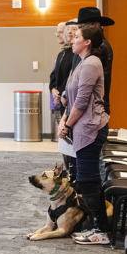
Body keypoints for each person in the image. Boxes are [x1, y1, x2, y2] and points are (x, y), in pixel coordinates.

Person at [58, 23, 111, 245]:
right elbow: (69, 98)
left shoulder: (91, 64)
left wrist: (67, 125)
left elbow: (80, 103)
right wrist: (64, 120)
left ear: (87, 42)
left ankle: (100, 230)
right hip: (81, 126)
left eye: (77, 36)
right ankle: (97, 227)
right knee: (86, 179)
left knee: (89, 181)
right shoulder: (80, 62)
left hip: (90, 127)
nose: (72, 38)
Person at [71, 7, 114, 114]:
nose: (80, 30)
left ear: (95, 26)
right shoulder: (84, 48)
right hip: (83, 109)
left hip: (92, 110)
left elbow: (88, 85)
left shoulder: (102, 47)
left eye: (83, 27)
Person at [51, 21, 76, 181]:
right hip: (59, 97)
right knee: (63, 140)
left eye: (73, 30)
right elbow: (53, 76)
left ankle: (73, 174)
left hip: (68, 100)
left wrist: (63, 94)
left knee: (68, 138)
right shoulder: (62, 53)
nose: (68, 33)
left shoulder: (74, 54)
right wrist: (53, 89)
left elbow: (71, 78)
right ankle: (68, 171)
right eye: (67, 31)